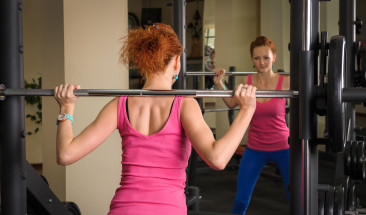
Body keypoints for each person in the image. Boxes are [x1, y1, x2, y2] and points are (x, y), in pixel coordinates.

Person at [53, 23, 257, 215]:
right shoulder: (184, 104)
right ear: (176, 61)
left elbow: (66, 154)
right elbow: (218, 159)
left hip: (124, 209)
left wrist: (67, 107)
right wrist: (246, 109)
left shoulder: (121, 103)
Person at [213, 35, 290, 214]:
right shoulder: (246, 82)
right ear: (252, 59)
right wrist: (220, 84)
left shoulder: (285, 82)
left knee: (294, 196)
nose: (261, 62)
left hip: (283, 146)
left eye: (265, 57)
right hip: (255, 148)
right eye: (257, 58)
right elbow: (232, 103)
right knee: (241, 200)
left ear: (274, 57)